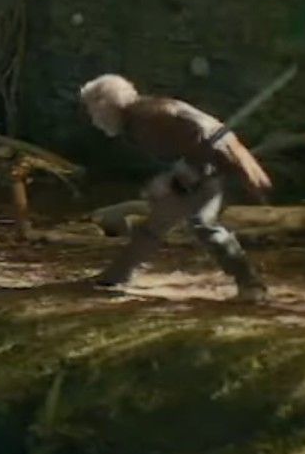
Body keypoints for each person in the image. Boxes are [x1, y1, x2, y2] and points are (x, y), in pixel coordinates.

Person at [77, 73, 271, 302]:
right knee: (156, 225)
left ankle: (252, 284)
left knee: (203, 225)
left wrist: (176, 179)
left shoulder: (146, 117)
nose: (94, 120)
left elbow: (201, 136)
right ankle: (115, 277)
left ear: (105, 104)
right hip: (204, 165)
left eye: (93, 111)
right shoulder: (141, 115)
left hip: (209, 167)